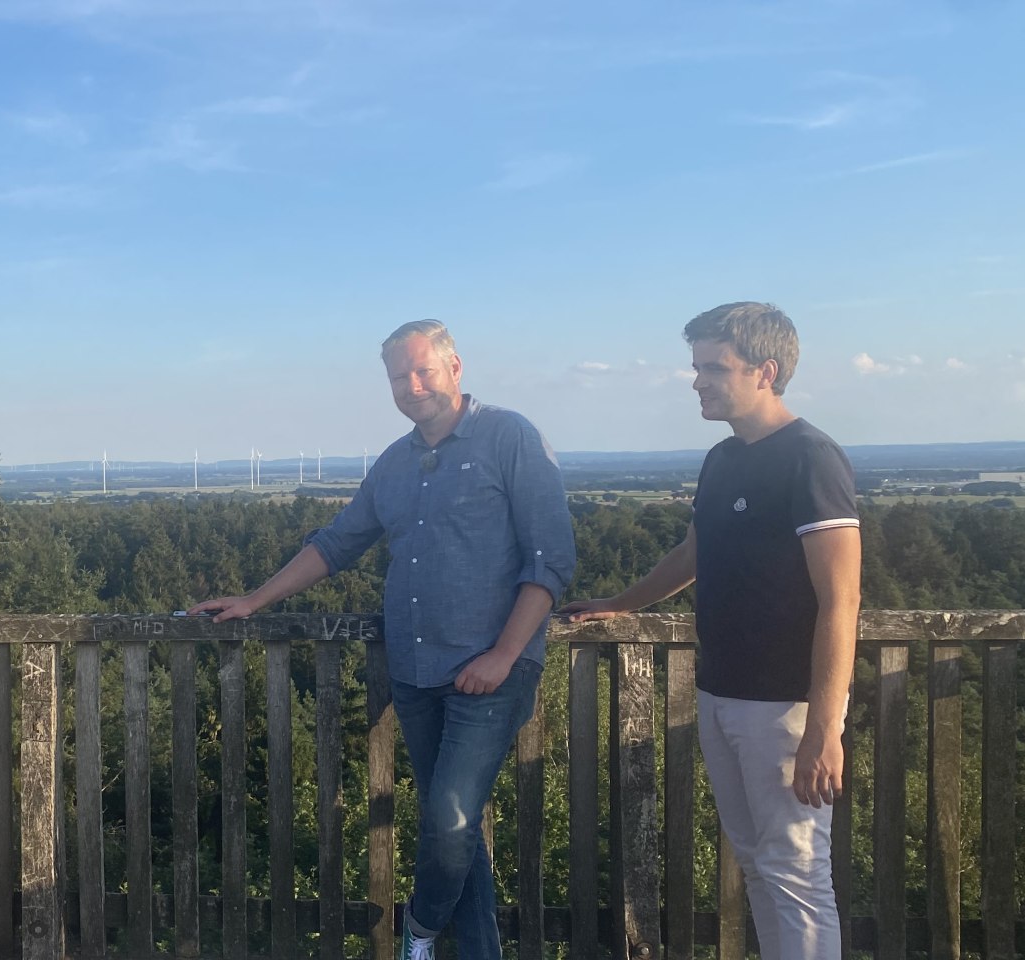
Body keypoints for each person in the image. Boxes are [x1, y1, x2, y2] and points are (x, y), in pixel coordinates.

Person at [189, 320, 575, 960]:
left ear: (456, 368)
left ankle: (417, 933)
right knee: (456, 830)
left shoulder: (512, 437)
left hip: (491, 672)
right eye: (399, 376)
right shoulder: (395, 462)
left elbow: (550, 558)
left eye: (423, 370)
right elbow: (338, 542)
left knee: (449, 822)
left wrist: (505, 655)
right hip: (417, 672)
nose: (412, 385)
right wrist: (255, 599)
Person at [561, 302, 859, 959]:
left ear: (765, 371)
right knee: (757, 862)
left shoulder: (811, 458)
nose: (697, 381)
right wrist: (620, 601)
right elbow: (693, 555)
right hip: (721, 694)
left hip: (785, 707)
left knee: (799, 875)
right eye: (696, 367)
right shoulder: (723, 460)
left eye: (713, 368)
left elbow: (841, 601)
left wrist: (823, 728)